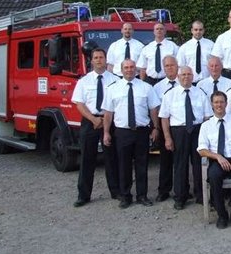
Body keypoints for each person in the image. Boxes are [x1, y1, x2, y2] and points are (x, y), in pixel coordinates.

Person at [102, 59, 161, 208]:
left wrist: (155, 128)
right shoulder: (112, 89)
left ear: (136, 69)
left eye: (132, 67)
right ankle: (125, 196)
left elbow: (153, 109)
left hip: (142, 131)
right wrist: (106, 132)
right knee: (123, 165)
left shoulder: (146, 87)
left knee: (142, 165)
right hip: (122, 132)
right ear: (121, 70)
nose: (129, 70)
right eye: (126, 67)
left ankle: (142, 195)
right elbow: (108, 113)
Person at [71, 48, 120, 207]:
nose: (99, 60)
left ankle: (116, 191)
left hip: (109, 121)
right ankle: (83, 195)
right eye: (96, 58)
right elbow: (79, 103)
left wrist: (104, 121)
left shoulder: (115, 80)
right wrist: (93, 119)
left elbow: (117, 103)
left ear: (106, 60)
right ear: (91, 61)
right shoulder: (84, 81)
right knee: (87, 158)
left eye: (101, 57)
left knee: (111, 158)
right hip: (89, 121)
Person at [159, 66, 212, 209]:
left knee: (199, 164)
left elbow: (207, 117)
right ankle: (180, 197)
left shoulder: (200, 94)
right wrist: (167, 138)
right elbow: (164, 118)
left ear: (193, 76)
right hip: (178, 131)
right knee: (180, 164)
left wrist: (206, 137)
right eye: (183, 74)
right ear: (178, 76)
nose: (186, 77)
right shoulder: (170, 95)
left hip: (197, 130)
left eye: (189, 74)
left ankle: (201, 195)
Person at [197, 91, 231, 229]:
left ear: (226, 103)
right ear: (212, 105)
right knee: (213, 177)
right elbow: (202, 149)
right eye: (216, 102)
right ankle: (222, 215)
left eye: (221, 102)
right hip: (217, 160)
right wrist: (218, 157)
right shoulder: (206, 125)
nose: (219, 105)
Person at [151, 56, 180, 203]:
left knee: (181, 161)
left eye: (172, 65)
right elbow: (155, 109)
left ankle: (182, 190)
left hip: (181, 128)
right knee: (165, 160)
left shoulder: (185, 82)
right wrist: (156, 128)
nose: (170, 68)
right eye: (167, 66)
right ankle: (164, 190)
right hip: (165, 127)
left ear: (177, 66)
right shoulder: (158, 87)